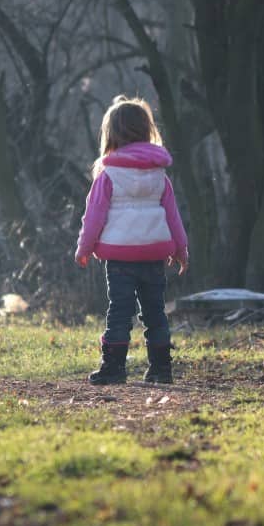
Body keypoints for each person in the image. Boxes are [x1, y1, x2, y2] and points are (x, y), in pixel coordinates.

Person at [75, 96, 188, 385]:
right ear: (147, 130)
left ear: (111, 133)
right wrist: (181, 248)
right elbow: (173, 215)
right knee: (155, 312)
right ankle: (161, 369)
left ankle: (114, 368)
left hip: (120, 256)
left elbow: (94, 215)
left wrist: (85, 248)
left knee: (120, 312)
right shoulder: (159, 174)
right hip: (153, 254)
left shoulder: (108, 174)